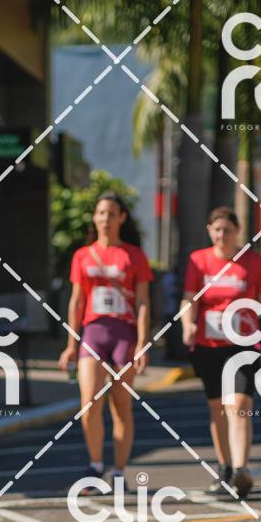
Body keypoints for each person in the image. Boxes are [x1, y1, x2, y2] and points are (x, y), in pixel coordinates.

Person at [58, 192, 152, 491]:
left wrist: (142, 342)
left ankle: (120, 471)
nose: (105, 219)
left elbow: (143, 302)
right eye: (101, 213)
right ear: (94, 217)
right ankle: (96, 465)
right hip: (93, 333)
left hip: (124, 334)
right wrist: (71, 344)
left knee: (121, 407)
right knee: (89, 403)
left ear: (121, 217)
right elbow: (77, 301)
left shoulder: (134, 255)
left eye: (111, 213)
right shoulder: (83, 255)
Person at [181, 206, 261, 499]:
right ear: (209, 231)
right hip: (208, 345)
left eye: (227, 230)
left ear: (237, 231)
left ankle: (241, 469)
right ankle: (225, 467)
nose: (222, 235)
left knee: (239, 404)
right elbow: (189, 298)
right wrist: (188, 324)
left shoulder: (254, 262)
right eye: (216, 230)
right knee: (217, 408)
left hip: (243, 345)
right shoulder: (198, 260)